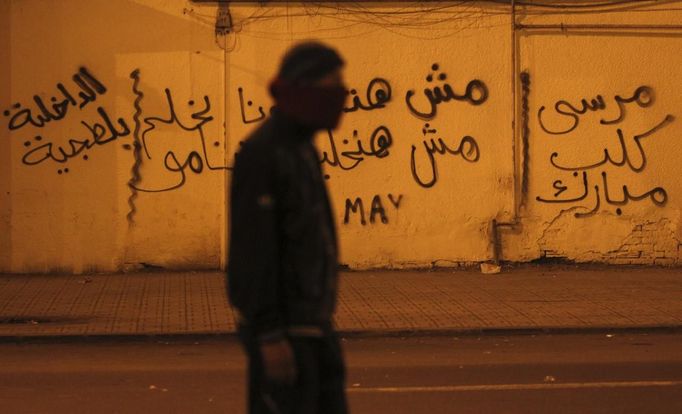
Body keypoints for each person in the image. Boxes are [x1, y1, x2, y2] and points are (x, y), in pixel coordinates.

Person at [227, 41, 348, 414]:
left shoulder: (301, 149)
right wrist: (269, 335)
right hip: (286, 335)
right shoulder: (265, 154)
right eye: (332, 86)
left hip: (313, 328)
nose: (341, 96)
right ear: (303, 90)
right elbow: (251, 252)